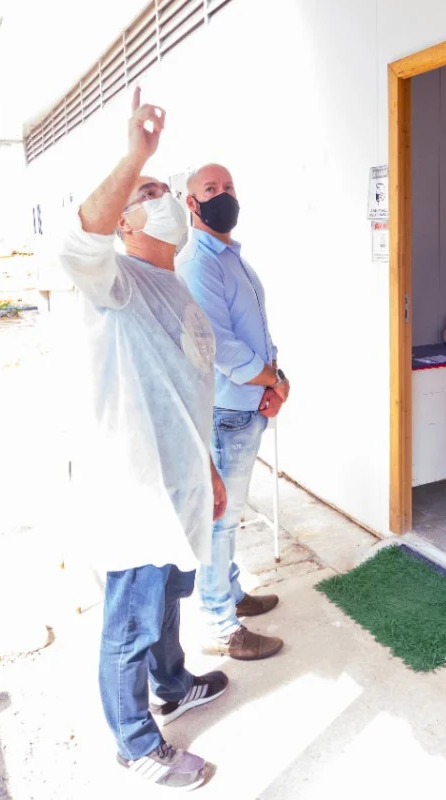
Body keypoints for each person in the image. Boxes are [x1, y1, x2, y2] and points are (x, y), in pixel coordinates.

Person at [56, 90, 227, 792]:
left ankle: (174, 685)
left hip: (180, 481)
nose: (161, 200)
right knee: (130, 619)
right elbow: (78, 240)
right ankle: (134, 743)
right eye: (145, 195)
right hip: (135, 489)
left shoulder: (175, 287)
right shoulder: (113, 282)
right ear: (124, 221)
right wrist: (135, 155)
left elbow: (188, 393)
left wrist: (209, 471)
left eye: (163, 191)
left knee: (166, 601)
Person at [178, 163, 289, 661]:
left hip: (247, 402)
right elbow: (221, 346)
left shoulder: (230, 257)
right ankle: (219, 624)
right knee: (220, 519)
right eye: (211, 189)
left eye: (228, 187)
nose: (223, 195)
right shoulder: (198, 264)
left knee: (231, 515)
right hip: (228, 409)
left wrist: (275, 378)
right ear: (191, 203)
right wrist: (272, 380)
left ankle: (232, 593)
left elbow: (256, 330)